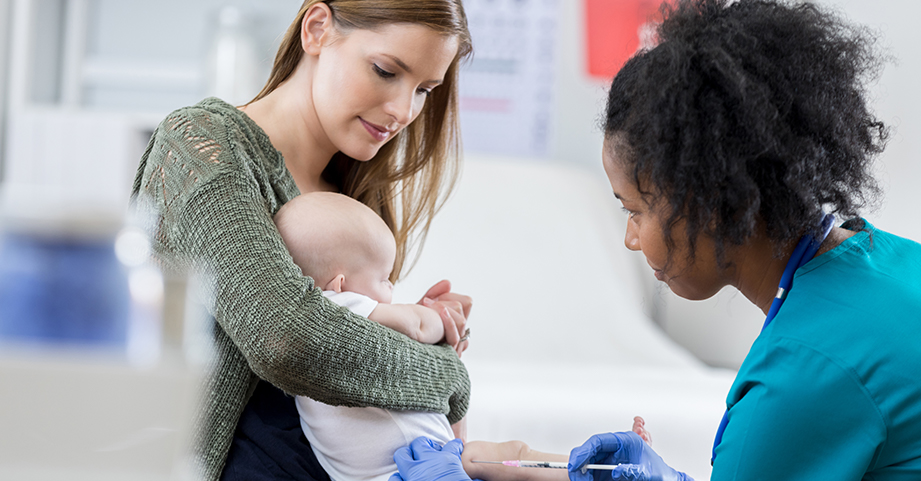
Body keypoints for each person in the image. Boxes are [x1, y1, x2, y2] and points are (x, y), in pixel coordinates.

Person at [388, 0, 921, 480]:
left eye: (635, 209)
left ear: (710, 201)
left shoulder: (802, 375)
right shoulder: (894, 263)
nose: (630, 239)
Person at [129, 1, 474, 480]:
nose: (404, 110)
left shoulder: (351, 188)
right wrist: (445, 373)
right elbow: (286, 339)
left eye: (423, 90)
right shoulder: (202, 145)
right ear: (317, 29)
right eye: (385, 71)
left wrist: (416, 322)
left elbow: (338, 346)